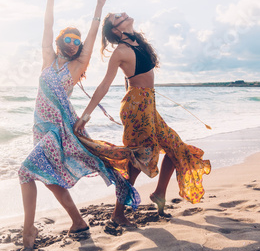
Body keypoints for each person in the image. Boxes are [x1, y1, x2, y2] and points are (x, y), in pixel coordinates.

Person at [18, 0, 140, 250]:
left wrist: (99, 7)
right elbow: (47, 27)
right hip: (39, 127)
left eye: (77, 41)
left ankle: (29, 229)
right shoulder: (48, 59)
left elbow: (93, 34)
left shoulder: (77, 66)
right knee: (49, 178)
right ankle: (78, 222)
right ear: (61, 42)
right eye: (69, 40)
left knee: (25, 172)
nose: (73, 44)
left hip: (59, 130)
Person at [73, 12, 211, 225]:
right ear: (117, 30)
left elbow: (132, 78)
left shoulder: (139, 43)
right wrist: (86, 116)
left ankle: (159, 194)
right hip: (137, 108)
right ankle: (118, 213)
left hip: (148, 105)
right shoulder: (120, 51)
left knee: (176, 148)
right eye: (118, 16)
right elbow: (104, 85)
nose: (124, 14)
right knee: (137, 161)